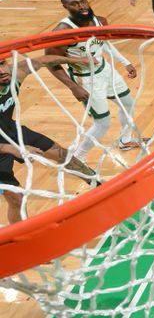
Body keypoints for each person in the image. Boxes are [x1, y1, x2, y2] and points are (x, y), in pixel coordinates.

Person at [45, 0, 147, 161]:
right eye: (74, 4)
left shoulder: (100, 21)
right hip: (85, 79)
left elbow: (104, 44)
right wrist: (73, 87)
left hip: (106, 71)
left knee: (128, 104)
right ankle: (79, 157)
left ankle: (126, 139)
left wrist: (125, 62)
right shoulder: (62, 32)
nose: (81, 6)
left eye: (83, 1)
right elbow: (50, 62)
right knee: (103, 123)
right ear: (65, 7)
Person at [0, 53, 98, 225]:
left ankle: (99, 186)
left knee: (64, 156)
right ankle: (21, 240)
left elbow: (43, 60)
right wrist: (11, 149)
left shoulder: (14, 75)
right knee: (17, 199)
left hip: (11, 131)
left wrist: (77, 60)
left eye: (3, 63)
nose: (2, 70)